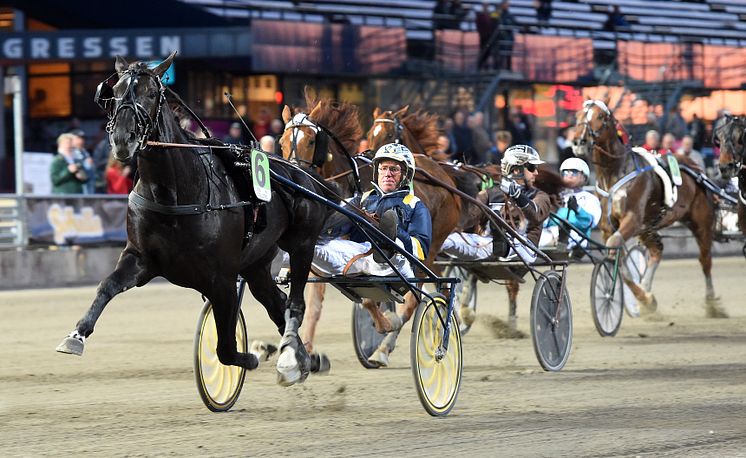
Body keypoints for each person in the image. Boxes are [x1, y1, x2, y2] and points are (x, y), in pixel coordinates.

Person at [312, 143, 432, 279]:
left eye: (394, 169)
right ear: (377, 171)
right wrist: (323, 227)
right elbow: (336, 231)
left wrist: (392, 231)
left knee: (395, 251)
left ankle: (387, 246)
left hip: (396, 263)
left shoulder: (415, 204)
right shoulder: (361, 200)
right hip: (358, 255)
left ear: (405, 174)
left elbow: (421, 249)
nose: (387, 174)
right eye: (383, 168)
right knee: (310, 244)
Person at [440, 144, 550, 263]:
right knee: (444, 239)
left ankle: (500, 237)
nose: (536, 173)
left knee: (498, 243)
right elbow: (469, 218)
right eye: (532, 168)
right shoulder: (490, 193)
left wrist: (517, 195)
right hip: (488, 243)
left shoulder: (540, 196)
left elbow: (536, 216)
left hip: (525, 246)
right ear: (517, 170)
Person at [540, 158, 601, 252]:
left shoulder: (590, 198)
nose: (569, 175)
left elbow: (589, 222)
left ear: (584, 176)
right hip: (552, 233)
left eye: (574, 172)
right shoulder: (555, 196)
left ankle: (559, 242)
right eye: (565, 172)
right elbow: (546, 221)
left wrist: (578, 210)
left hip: (577, 236)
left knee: (565, 233)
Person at [69, 129, 96, 194]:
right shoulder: (70, 152)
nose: (81, 141)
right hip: (78, 186)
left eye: (82, 138)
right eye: (78, 138)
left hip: (89, 183)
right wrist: (85, 163)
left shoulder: (84, 152)